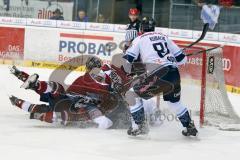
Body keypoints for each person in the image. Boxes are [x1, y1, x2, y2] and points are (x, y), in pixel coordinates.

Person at [123, 17, 198, 137]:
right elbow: (182, 60)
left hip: (159, 74)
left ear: (141, 28)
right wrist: (173, 57)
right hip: (174, 74)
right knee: (174, 103)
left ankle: (139, 126)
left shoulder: (139, 39)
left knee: (131, 95)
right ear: (153, 27)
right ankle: (189, 126)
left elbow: (128, 60)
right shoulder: (164, 37)